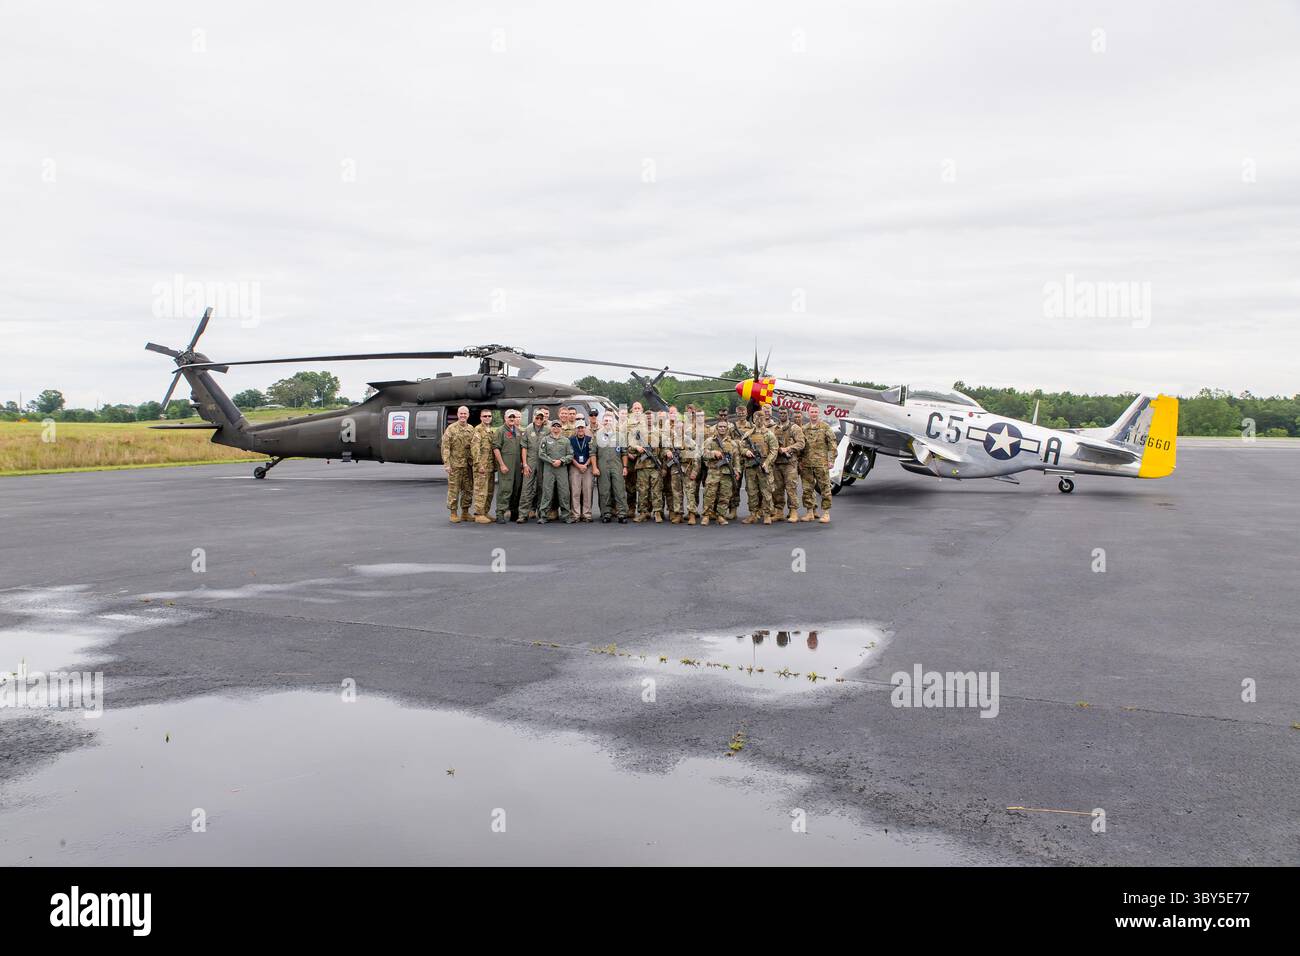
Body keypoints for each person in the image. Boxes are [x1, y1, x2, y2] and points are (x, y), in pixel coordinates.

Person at [800, 406, 838, 523]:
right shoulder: (804, 429)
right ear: (808, 413)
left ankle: (826, 513)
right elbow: (801, 446)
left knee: (825, 488)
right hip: (807, 464)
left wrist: (831, 460)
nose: (814, 414)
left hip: (821, 464)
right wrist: (800, 460)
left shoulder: (825, 427)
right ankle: (810, 512)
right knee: (807, 489)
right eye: (812, 412)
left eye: (816, 412)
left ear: (819, 413)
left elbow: (833, 445)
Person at [740, 408, 777, 524]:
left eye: (761, 418)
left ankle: (766, 514)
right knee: (752, 491)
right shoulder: (748, 434)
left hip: (763, 466)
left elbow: (774, 450)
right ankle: (753, 514)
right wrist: (746, 452)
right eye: (756, 418)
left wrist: (767, 463)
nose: (759, 420)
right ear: (753, 420)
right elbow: (741, 447)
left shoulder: (769, 434)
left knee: (766, 491)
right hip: (751, 467)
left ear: (764, 419)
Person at [440, 405, 476, 523]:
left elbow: (474, 447)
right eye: (461, 413)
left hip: (468, 465)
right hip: (455, 465)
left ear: (468, 415)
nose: (463, 416)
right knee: (454, 489)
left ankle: (465, 512)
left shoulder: (471, 429)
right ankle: (453, 512)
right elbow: (445, 447)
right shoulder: (451, 429)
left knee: (468, 489)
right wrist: (447, 464)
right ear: (457, 414)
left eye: (465, 414)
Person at [592, 411, 629, 523]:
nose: (608, 422)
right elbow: (593, 453)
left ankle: (622, 513)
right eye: (606, 420)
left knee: (619, 490)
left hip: (617, 466)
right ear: (602, 422)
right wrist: (595, 467)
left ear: (614, 422)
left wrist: (625, 467)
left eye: (610, 420)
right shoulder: (597, 435)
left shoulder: (620, 436)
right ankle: (606, 513)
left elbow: (624, 453)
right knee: (604, 490)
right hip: (603, 467)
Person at [699, 420, 737, 526]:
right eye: (720, 426)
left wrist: (737, 471)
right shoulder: (710, 441)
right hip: (713, 472)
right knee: (709, 495)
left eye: (724, 427)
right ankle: (706, 515)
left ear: (727, 428)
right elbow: (702, 453)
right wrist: (713, 453)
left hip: (727, 473)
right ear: (717, 428)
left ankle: (721, 516)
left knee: (725, 496)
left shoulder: (732, 443)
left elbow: (736, 459)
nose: (722, 428)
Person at [492, 409, 527, 522]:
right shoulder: (500, 431)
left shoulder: (517, 431)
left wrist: (523, 463)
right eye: (509, 417)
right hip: (506, 464)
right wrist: (501, 464)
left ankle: (513, 511)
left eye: (513, 417)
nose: (512, 419)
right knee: (505, 489)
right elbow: (496, 448)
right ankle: (500, 513)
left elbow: (522, 448)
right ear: (505, 418)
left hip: (517, 465)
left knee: (516, 488)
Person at [772, 407, 806, 522]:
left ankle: (793, 512)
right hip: (777, 463)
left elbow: (801, 443)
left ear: (788, 414)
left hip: (790, 463)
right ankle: (779, 512)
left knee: (791, 488)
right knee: (777, 489)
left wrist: (788, 448)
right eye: (780, 413)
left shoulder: (794, 428)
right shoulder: (774, 428)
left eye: (784, 413)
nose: (782, 415)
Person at [537, 419, 574, 524]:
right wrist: (551, 461)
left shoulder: (566, 440)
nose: (556, 428)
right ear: (551, 427)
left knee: (564, 492)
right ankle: (544, 515)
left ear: (561, 428)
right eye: (554, 426)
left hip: (561, 469)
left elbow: (570, 455)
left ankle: (566, 515)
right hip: (549, 469)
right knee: (547, 492)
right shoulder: (545, 439)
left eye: (558, 426)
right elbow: (541, 453)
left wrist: (561, 461)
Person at [631, 411, 666, 523]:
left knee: (657, 490)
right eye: (647, 418)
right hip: (642, 466)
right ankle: (642, 512)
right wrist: (637, 447)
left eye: (651, 418)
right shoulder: (638, 432)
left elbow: (664, 449)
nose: (649, 420)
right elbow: (629, 448)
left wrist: (664, 467)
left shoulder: (659, 433)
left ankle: (657, 512)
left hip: (656, 467)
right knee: (642, 490)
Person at [516, 408, 549, 522]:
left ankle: (542, 513)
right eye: (537, 417)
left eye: (541, 418)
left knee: (542, 488)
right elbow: (524, 447)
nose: (539, 420)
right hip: (530, 462)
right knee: (526, 488)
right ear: (534, 417)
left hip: (543, 463)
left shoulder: (548, 430)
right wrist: (525, 464)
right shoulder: (528, 429)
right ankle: (522, 514)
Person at [471, 408, 498, 523]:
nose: (487, 418)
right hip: (481, 467)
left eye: (489, 416)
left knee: (490, 491)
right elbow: (475, 448)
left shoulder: (491, 430)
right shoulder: (478, 430)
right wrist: (478, 464)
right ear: (481, 417)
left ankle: (485, 512)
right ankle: (478, 514)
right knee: (480, 490)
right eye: (485, 416)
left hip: (490, 466)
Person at [569, 420, 595, 522]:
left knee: (587, 491)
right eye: (578, 428)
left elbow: (592, 453)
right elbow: (569, 455)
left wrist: (586, 464)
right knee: (575, 491)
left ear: (585, 429)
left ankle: (587, 515)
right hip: (575, 467)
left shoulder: (590, 439)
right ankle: (575, 515)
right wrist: (578, 465)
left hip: (587, 467)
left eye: (582, 428)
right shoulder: (570, 440)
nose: (580, 429)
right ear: (576, 429)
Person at [727, 404, 750, 520]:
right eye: (739, 413)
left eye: (743, 413)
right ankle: (733, 509)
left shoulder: (751, 426)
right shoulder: (732, 427)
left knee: (752, 486)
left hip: (750, 460)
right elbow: (728, 441)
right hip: (737, 461)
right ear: (736, 414)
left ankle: (756, 510)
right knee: (735, 486)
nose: (741, 415)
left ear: (746, 413)